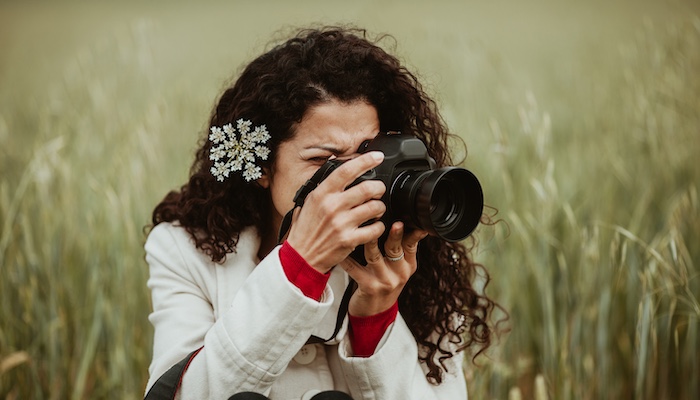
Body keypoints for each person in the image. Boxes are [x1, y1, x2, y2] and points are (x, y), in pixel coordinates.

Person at [144, 26, 498, 400]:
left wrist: (375, 318)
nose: (353, 177)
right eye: (323, 160)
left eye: (367, 152)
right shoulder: (184, 249)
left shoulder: (418, 252)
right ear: (263, 168)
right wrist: (299, 266)